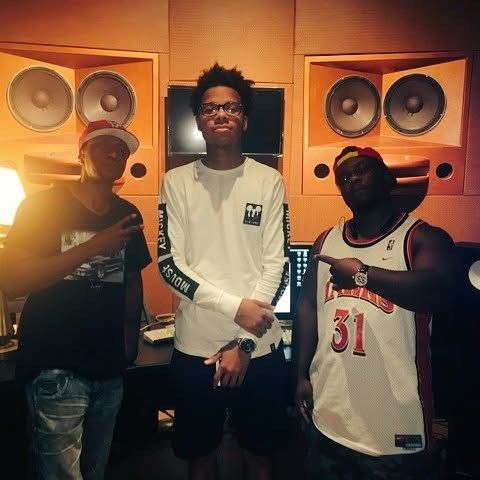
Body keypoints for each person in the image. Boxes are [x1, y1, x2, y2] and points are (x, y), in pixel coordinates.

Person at [294, 146, 458, 480]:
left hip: (395, 428)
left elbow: (439, 290)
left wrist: (362, 275)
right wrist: (299, 374)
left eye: (361, 171)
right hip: (330, 418)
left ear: (386, 179)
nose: (352, 180)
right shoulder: (325, 241)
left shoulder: (421, 237)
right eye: (343, 178)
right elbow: (308, 306)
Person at [158, 63, 290, 480]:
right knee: (199, 456)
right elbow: (169, 265)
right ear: (198, 120)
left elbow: (278, 264)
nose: (221, 114)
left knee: (260, 456)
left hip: (259, 348)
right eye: (210, 107)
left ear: (244, 119)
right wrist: (236, 309)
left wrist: (245, 341)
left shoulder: (269, 181)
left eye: (231, 107)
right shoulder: (176, 182)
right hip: (196, 349)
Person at [0, 119, 151, 479]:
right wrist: (94, 246)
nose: (114, 153)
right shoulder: (41, 206)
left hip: (109, 367)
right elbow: (14, 281)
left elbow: (132, 280)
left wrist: (129, 345)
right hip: (56, 366)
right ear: (82, 153)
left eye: (122, 149)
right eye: (103, 145)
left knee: (95, 470)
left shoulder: (127, 213)